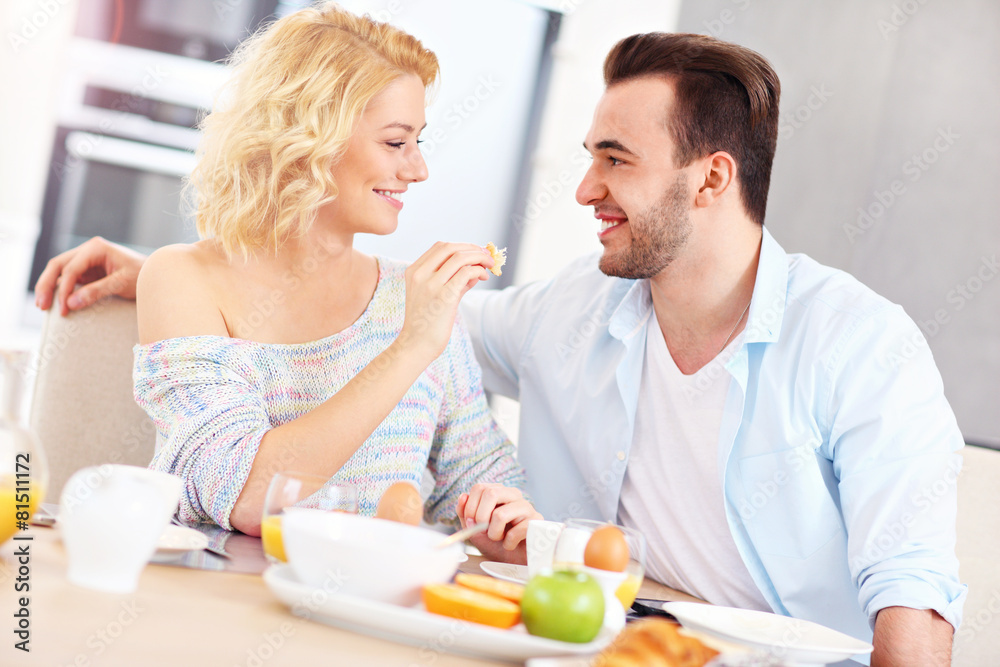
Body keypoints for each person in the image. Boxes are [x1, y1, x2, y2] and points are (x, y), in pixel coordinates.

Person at [36, 30, 963, 665]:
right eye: (589, 155)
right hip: (593, 643)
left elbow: (911, 597)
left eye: (615, 159)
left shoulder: (858, 345)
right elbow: (378, 330)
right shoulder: (574, 313)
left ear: (712, 176)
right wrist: (167, 269)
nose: (583, 188)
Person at [37, 4, 542, 561]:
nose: (418, 169)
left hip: (366, 624)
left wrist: (508, 520)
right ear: (310, 140)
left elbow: (488, 487)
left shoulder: (413, 301)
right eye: (397, 143)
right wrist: (412, 346)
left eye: (418, 141)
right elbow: (249, 497)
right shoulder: (186, 278)